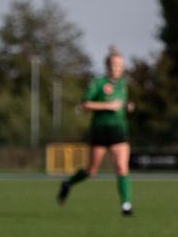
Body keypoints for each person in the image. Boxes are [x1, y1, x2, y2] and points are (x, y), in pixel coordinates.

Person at [56, 46, 135, 216]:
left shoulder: (123, 84)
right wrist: (107, 105)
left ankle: (126, 205)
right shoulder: (98, 83)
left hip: (119, 130)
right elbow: (84, 103)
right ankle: (68, 183)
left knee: (122, 168)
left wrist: (127, 106)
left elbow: (122, 103)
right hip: (100, 130)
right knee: (91, 171)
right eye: (115, 65)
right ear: (108, 67)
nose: (119, 68)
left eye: (121, 65)